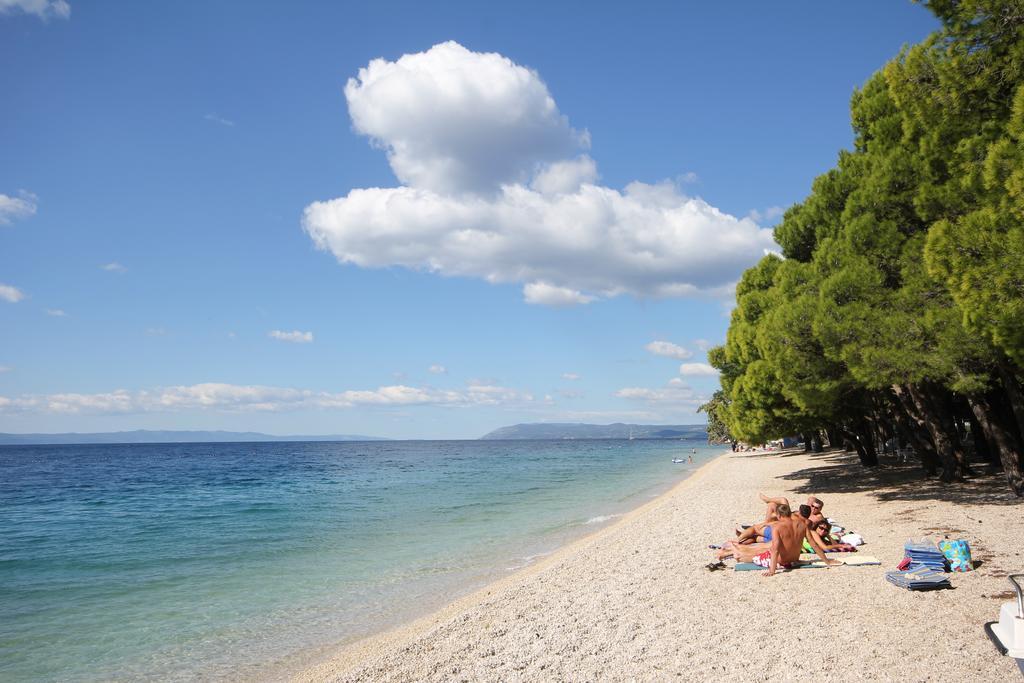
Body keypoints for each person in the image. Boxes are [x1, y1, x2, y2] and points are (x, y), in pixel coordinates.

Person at [729, 503, 840, 576]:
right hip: (794, 560)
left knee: (756, 556)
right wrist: (827, 561)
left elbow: (775, 549)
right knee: (763, 549)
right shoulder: (802, 524)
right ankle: (736, 550)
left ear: (779, 515)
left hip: (783, 562)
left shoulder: (777, 527)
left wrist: (772, 571)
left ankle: (737, 553)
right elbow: (814, 545)